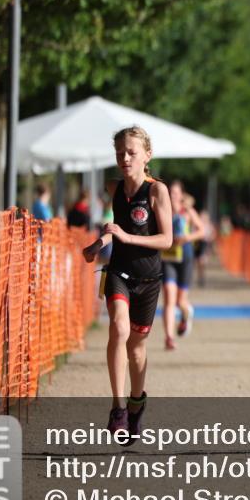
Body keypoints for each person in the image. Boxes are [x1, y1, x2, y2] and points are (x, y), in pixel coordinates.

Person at [82, 126, 173, 444]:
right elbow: (115, 227)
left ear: (147, 155)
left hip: (148, 280)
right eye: (120, 152)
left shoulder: (157, 191)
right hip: (119, 272)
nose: (125, 158)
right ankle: (118, 406)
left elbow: (167, 239)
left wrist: (125, 236)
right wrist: (100, 243)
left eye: (132, 152)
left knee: (136, 347)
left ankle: (136, 401)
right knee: (118, 330)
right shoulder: (114, 188)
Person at [160, 182, 203, 350]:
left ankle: (187, 313)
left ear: (181, 194)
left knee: (180, 301)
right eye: (170, 192)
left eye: (176, 192)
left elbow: (201, 230)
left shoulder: (188, 212)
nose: (172, 195)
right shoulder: (163, 210)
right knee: (169, 299)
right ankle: (169, 337)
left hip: (185, 257)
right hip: (168, 257)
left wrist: (187, 238)